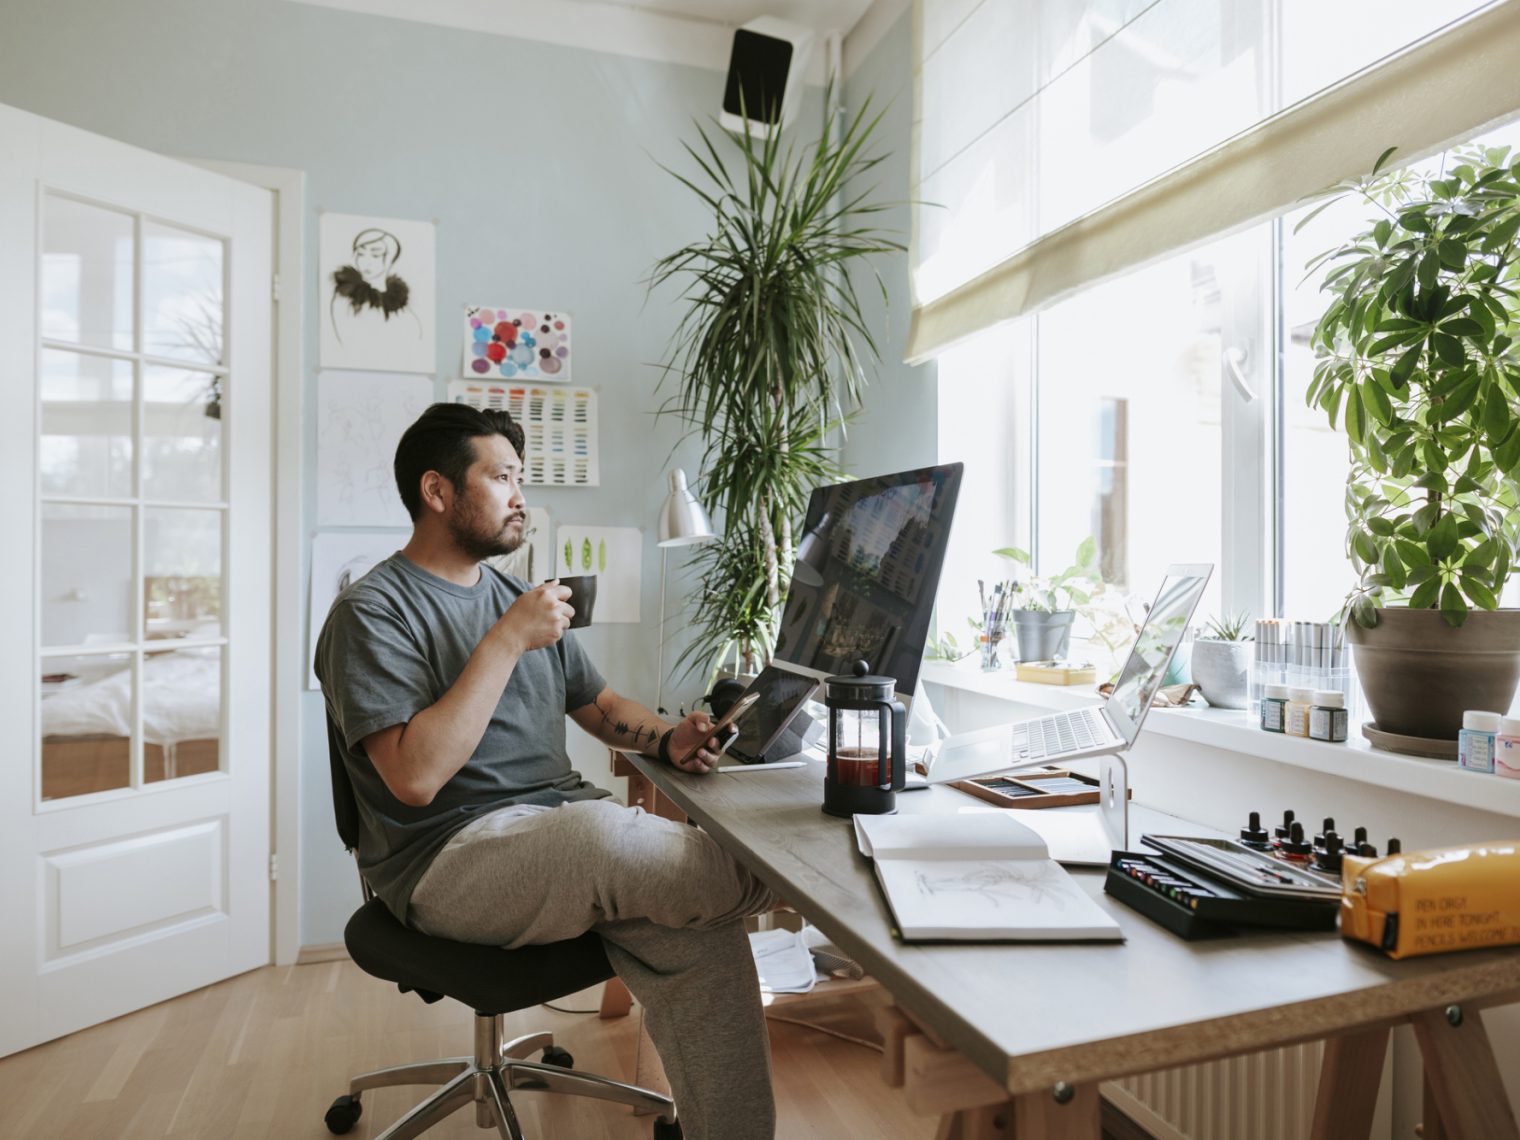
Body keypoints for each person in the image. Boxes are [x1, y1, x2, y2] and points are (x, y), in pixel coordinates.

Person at [315, 403, 776, 1140]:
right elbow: (414, 778)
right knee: (608, 836)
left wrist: (670, 739)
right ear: (438, 492)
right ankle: (796, 880)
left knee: (701, 930)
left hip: (559, 836)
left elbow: (599, 706)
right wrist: (505, 641)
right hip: (448, 860)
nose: (521, 496)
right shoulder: (372, 613)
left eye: (522, 478)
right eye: (502, 478)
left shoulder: (518, 601)